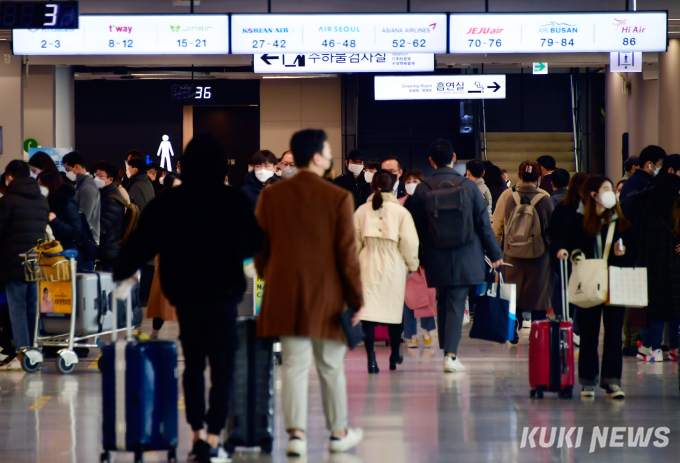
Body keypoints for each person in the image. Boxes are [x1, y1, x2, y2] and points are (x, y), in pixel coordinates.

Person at [114, 133, 263, 463]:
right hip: (223, 297)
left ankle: (196, 436)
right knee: (222, 368)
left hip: (187, 297)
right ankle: (213, 437)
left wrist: (121, 271)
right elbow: (254, 243)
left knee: (193, 365)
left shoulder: (171, 202)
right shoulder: (232, 201)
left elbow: (141, 242)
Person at [254, 129, 364, 457]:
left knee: (294, 367)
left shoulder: (271, 196)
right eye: (328, 150)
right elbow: (347, 254)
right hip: (328, 297)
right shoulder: (338, 197)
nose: (331, 155)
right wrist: (356, 298)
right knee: (331, 367)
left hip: (284, 294)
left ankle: (296, 437)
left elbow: (259, 249)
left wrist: (271, 276)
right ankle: (338, 433)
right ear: (317, 157)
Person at [407, 139, 503, 373]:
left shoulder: (423, 188)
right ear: (454, 157)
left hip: (435, 253)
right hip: (466, 253)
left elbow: (414, 227)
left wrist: (415, 258)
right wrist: (496, 254)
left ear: (431, 160)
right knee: (457, 302)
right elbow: (483, 224)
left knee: (443, 300)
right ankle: (450, 355)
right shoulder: (469, 186)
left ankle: (447, 351)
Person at [553, 176, 634, 399]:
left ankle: (612, 381)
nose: (610, 193)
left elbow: (633, 248)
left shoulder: (620, 221)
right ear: (593, 195)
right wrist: (563, 251)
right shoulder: (578, 220)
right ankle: (588, 380)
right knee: (588, 332)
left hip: (615, 282)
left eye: (611, 189)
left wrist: (623, 253)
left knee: (614, 333)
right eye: (606, 189)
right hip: (588, 281)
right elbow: (560, 238)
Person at [354, 170, 419, 373]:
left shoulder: (362, 210)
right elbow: (409, 242)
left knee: (369, 315)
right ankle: (394, 355)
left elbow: (353, 243)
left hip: (367, 262)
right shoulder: (401, 212)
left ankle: (371, 360)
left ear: (372, 187)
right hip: (394, 264)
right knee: (394, 312)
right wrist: (413, 264)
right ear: (394, 187)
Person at [0, 161, 49, 371]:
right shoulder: (41, 200)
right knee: (31, 309)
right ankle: (33, 350)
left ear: (10, 176)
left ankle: (23, 352)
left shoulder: (8, 200)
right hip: (35, 262)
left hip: (13, 262)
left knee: (17, 309)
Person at [497, 161, 554, 343]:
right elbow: (550, 229)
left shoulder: (509, 197)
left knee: (514, 291)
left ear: (520, 176)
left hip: (513, 253)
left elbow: (503, 225)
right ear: (539, 178)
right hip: (539, 255)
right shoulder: (544, 198)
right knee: (538, 294)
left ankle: (512, 326)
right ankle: (537, 333)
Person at [636, 154, 680, 362]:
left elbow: (643, 237)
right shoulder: (675, 206)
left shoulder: (648, 205)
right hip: (674, 262)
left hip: (651, 263)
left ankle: (653, 348)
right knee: (674, 305)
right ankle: (675, 346)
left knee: (653, 306)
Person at [547, 172, 590, 331]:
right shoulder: (592, 208)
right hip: (587, 259)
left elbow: (553, 232)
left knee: (566, 291)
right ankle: (579, 326)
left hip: (565, 258)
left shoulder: (562, 207)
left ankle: (568, 322)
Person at [400, 170, 437, 347]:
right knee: (407, 297)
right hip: (405, 256)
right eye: (409, 181)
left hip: (426, 255)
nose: (412, 184)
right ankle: (411, 333)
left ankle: (428, 329)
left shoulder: (430, 203)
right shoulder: (400, 204)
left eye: (416, 181)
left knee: (427, 294)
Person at [124, 157, 156, 306]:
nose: (127, 170)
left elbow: (134, 214)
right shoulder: (146, 183)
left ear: (135, 169)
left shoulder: (136, 186)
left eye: (128, 166)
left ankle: (142, 297)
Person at [37, 169, 83, 257]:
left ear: (51, 184)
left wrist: (54, 220)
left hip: (66, 254)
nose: (39, 187)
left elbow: (76, 232)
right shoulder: (45, 203)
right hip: (51, 252)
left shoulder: (66, 203)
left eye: (42, 184)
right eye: (38, 184)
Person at [93, 161, 125, 271]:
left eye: (100, 176)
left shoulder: (112, 199)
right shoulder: (105, 193)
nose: (96, 178)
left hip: (110, 251)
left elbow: (102, 226)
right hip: (109, 248)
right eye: (95, 175)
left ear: (110, 179)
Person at [63, 151, 101, 245]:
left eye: (68, 170)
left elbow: (83, 217)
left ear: (77, 166)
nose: (67, 173)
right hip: (83, 238)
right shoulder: (81, 185)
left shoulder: (87, 187)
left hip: (87, 240)